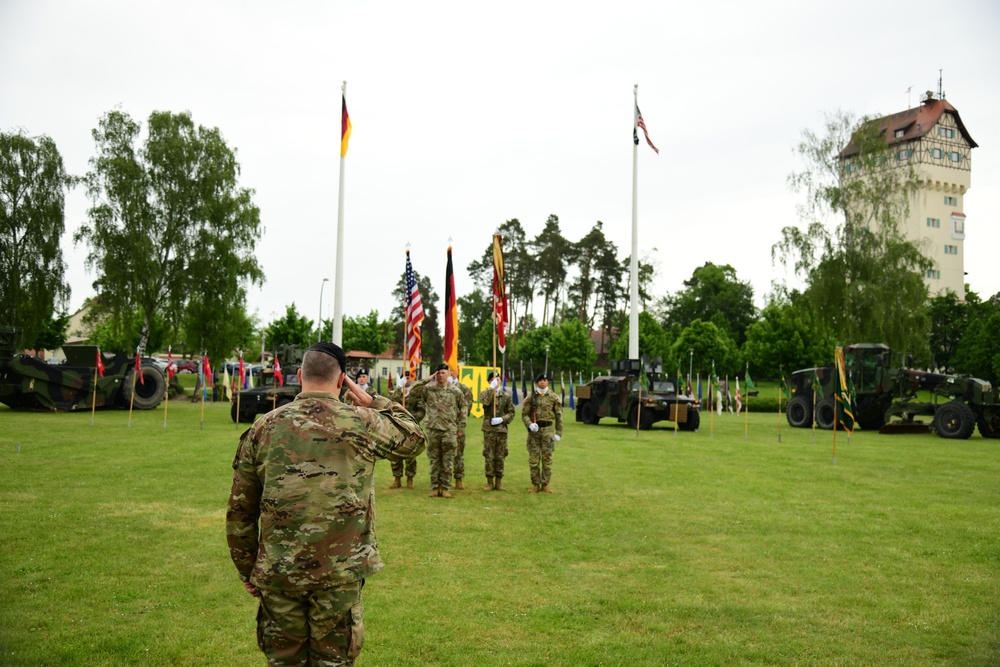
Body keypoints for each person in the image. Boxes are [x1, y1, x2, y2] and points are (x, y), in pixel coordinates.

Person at [226, 342, 425, 666]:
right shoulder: (362, 421)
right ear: (341, 379)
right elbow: (415, 438)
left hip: (279, 574)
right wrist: (375, 401)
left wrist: (248, 569)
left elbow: (240, 510)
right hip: (339, 575)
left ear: (300, 375)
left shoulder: (265, 426)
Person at [422, 363, 466, 498]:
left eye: (443, 373)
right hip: (433, 429)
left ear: (448, 374)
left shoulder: (455, 391)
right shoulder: (429, 390)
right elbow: (415, 391)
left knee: (448, 460)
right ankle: (435, 487)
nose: (441, 375)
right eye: (438, 373)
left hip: (449, 430)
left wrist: (461, 427)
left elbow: (463, 409)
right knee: (434, 459)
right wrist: (427, 379)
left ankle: (446, 487)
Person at [521, 372, 563, 493]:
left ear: (548, 382)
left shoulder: (554, 397)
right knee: (534, 459)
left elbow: (559, 416)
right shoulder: (531, 397)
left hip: (548, 431)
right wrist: (530, 424)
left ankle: (545, 484)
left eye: (544, 380)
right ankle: (535, 484)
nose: (542, 382)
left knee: (547, 458)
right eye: (540, 380)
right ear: (536, 382)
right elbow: (524, 415)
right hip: (534, 431)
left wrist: (558, 433)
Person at [386, 372, 426, 488]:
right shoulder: (398, 393)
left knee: (411, 454)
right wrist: (399, 387)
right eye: (405, 377)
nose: (407, 380)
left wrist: (412, 418)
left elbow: (421, 410)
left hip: (411, 428)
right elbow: (390, 403)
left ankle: (410, 479)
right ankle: (397, 478)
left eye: (410, 378)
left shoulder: (416, 394)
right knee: (395, 453)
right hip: (397, 427)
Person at [479, 370, 515, 491]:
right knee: (489, 455)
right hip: (489, 430)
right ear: (489, 381)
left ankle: (498, 482)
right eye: (493, 379)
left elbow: (511, 413)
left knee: (500, 455)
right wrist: (491, 389)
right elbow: (484, 401)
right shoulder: (485, 393)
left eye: (498, 379)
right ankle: (489, 482)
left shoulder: (506, 396)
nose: (496, 381)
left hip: (501, 430)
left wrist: (502, 419)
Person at [449, 368, 473, 489]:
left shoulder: (463, 388)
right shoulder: (442, 387)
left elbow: (468, 406)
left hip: (457, 425)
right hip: (444, 426)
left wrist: (460, 423)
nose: (450, 373)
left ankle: (458, 478)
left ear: (457, 372)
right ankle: (445, 479)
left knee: (459, 453)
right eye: (448, 370)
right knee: (445, 454)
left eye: (452, 371)